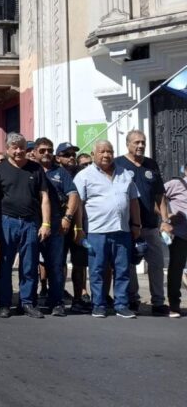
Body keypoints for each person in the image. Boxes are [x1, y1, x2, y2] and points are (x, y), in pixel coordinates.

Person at [74, 140, 140, 319]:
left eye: (109, 151)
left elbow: (133, 200)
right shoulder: (84, 176)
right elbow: (78, 204)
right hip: (97, 231)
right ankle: (98, 305)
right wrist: (79, 228)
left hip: (122, 230)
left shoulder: (125, 173)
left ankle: (121, 304)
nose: (106, 155)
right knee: (97, 270)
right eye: (102, 152)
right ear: (93, 154)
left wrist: (136, 224)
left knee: (123, 269)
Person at [0, 133, 51, 318]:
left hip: (31, 222)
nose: (18, 151)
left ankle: (27, 303)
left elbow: (44, 197)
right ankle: (4, 304)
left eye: (21, 147)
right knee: (6, 264)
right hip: (7, 221)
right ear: (8, 149)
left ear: (27, 149)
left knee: (29, 265)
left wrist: (46, 223)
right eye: (14, 147)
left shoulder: (36, 169)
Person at [114, 130, 171, 316]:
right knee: (129, 265)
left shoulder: (151, 164)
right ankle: (132, 300)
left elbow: (160, 195)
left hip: (150, 226)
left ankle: (158, 302)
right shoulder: (118, 164)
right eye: (137, 142)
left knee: (156, 264)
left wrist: (165, 220)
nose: (140, 145)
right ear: (128, 144)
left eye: (143, 142)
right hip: (126, 227)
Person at [34, 138, 79, 317]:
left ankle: (57, 302)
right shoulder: (29, 170)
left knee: (56, 264)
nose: (46, 153)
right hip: (32, 223)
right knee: (30, 265)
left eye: (49, 150)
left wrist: (67, 217)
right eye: (43, 150)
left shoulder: (60, 172)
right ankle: (30, 301)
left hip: (55, 224)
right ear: (35, 152)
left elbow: (73, 195)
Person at [55, 142, 91, 313]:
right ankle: (59, 298)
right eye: (67, 154)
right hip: (59, 224)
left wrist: (78, 227)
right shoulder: (54, 173)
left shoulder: (82, 174)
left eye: (73, 154)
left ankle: (79, 298)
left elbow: (81, 202)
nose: (71, 157)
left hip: (79, 225)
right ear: (58, 157)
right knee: (59, 262)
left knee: (79, 262)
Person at [164, 163, 187, 317]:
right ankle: (174, 305)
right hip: (181, 236)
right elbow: (157, 198)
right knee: (176, 270)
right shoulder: (176, 184)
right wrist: (167, 217)